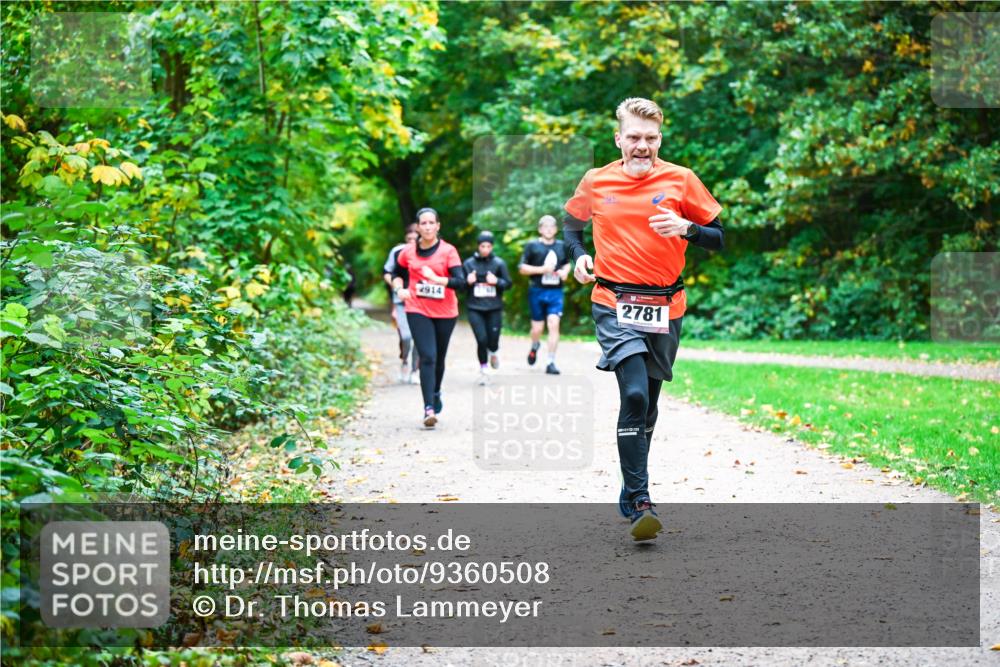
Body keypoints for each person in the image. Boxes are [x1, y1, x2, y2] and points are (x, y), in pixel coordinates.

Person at [563, 97, 724, 541]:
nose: (642, 146)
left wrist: (688, 229)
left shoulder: (681, 179)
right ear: (619, 139)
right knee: (633, 393)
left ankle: (630, 483)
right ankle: (641, 501)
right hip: (613, 302)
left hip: (666, 307)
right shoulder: (596, 180)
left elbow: (719, 238)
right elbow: (571, 225)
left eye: (650, 138)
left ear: (660, 139)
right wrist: (578, 256)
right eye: (634, 137)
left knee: (648, 405)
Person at [391, 208, 465, 428]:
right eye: (423, 223)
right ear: (418, 227)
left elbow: (460, 282)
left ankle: (436, 391)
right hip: (417, 308)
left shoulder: (448, 251)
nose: (427, 227)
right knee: (428, 357)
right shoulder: (407, 252)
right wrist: (399, 289)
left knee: (439, 358)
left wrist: (437, 279)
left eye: (431, 222)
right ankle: (428, 408)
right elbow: (396, 274)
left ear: (438, 226)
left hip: (445, 311)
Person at [518, 215, 571, 375]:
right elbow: (522, 268)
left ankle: (551, 361)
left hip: (555, 291)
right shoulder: (532, 246)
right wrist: (542, 270)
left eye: (551, 226)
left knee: (554, 323)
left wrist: (564, 272)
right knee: (537, 329)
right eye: (545, 227)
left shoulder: (562, 246)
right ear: (540, 229)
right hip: (537, 290)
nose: (548, 229)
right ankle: (535, 345)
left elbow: (567, 264)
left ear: (556, 229)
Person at [463, 231, 512, 385]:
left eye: (488, 246)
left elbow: (508, 284)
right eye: (482, 246)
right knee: (481, 339)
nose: (485, 249)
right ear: (478, 246)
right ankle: (484, 370)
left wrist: (497, 281)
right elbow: (460, 286)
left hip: (494, 308)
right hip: (475, 308)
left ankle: (494, 351)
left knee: (493, 341)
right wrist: (468, 281)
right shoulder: (468, 264)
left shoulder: (499, 263)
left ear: (492, 247)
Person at [383, 225, 419, 383]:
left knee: (419, 338)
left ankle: (415, 370)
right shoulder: (398, 252)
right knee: (406, 337)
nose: (412, 242)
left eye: (415, 239)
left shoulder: (426, 253)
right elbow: (387, 273)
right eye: (409, 238)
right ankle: (404, 361)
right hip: (401, 302)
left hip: (421, 302)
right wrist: (397, 288)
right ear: (405, 238)